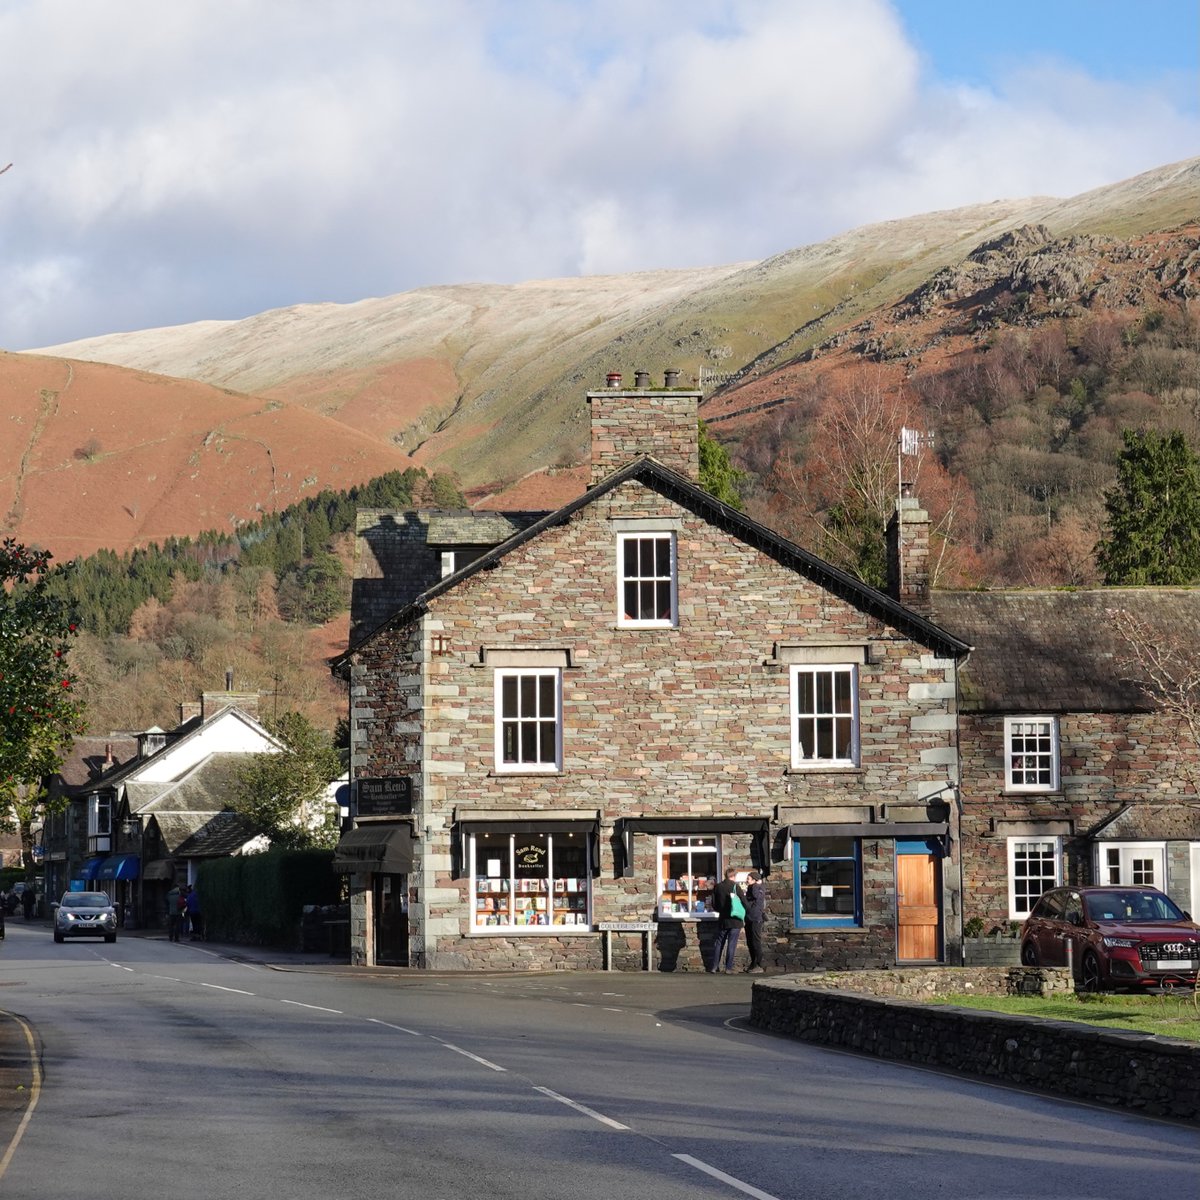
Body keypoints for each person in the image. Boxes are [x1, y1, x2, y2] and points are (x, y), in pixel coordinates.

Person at [710, 866, 745, 974]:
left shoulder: (718, 887)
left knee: (719, 942)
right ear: (733, 876)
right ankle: (728, 968)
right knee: (732, 943)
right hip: (735, 920)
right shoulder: (736, 887)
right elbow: (743, 902)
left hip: (723, 919)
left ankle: (714, 966)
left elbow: (714, 904)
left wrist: (721, 910)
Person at [743, 869, 766, 973]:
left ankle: (758, 964)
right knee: (750, 942)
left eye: (748, 879)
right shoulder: (750, 888)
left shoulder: (757, 888)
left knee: (755, 942)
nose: (746, 880)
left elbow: (757, 897)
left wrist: (756, 885)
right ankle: (753, 963)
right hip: (749, 918)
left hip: (756, 918)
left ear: (754, 880)